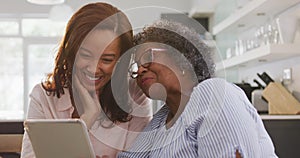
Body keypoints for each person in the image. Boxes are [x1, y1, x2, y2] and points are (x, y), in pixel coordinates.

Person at [118, 19, 278, 157]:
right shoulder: (161, 119)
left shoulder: (213, 93)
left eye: (147, 57)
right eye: (136, 66)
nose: (140, 70)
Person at [21, 2, 152, 158]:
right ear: (71, 52)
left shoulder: (135, 95)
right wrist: (86, 119)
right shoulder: (43, 97)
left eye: (107, 59)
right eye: (85, 55)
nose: (93, 69)